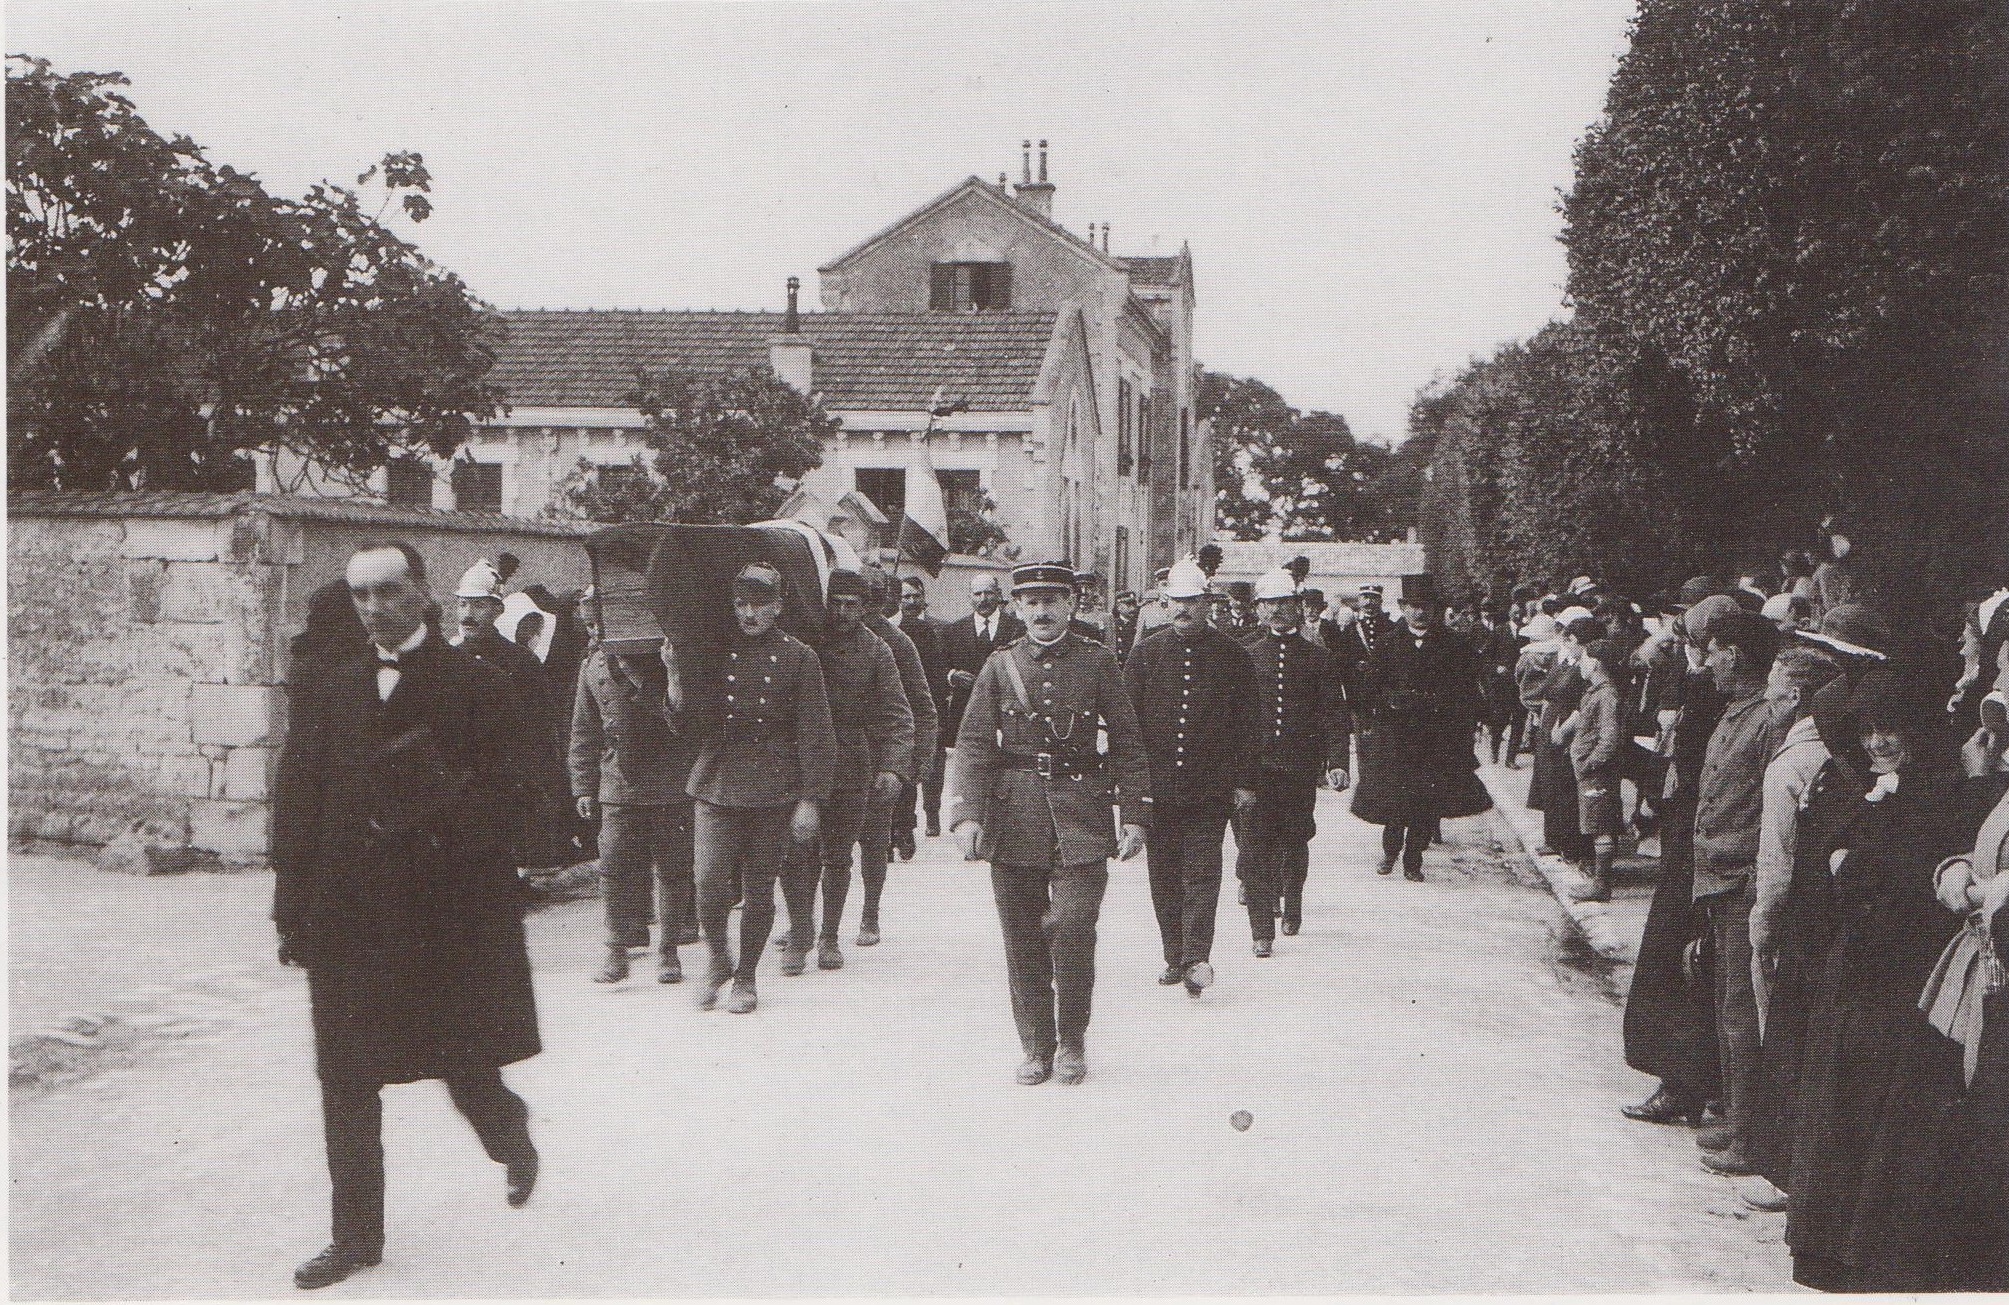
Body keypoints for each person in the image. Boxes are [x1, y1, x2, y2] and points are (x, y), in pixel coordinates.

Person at [272, 542, 541, 1291]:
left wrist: (440, 806)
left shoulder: (479, 683)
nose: (373, 608)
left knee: (460, 1056)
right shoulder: (330, 684)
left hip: (443, 912)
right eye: (360, 595)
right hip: (347, 910)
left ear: (423, 591)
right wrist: (290, 903)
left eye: (388, 591)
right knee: (345, 1076)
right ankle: (355, 1237)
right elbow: (299, 792)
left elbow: (520, 794)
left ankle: (507, 1130)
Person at [1785, 669, 1968, 1291]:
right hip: (1860, 969)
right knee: (1837, 1098)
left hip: (1900, 975)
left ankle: (1855, 1253)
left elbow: (1908, 883)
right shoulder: (1881, 791)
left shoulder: (1937, 795)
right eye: (1867, 731)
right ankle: (1824, 1246)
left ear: (1916, 731)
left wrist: (1852, 869)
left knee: (1870, 1105)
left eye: (1890, 729)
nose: (1877, 742)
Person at [950, 560, 1151, 1086]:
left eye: (1052, 600)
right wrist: (966, 814)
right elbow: (973, 743)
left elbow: (1128, 742)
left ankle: (1073, 1040)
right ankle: (1037, 1045)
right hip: (1014, 814)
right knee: (1021, 937)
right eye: (1032, 601)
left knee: (1073, 927)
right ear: (1017, 608)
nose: (1042, 611)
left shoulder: (1098, 661)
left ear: (1071, 605)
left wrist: (1135, 814)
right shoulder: (1000, 665)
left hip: (1082, 815)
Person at [685, 562, 836, 1015]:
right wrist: (674, 677)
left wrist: (809, 799)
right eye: (741, 604)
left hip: (773, 788)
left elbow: (816, 733)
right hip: (717, 780)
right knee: (708, 880)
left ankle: (746, 976)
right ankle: (718, 958)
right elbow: (688, 722)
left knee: (759, 887)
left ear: (778, 607)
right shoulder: (714, 652)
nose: (749, 614)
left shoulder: (799, 657)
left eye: (760, 604)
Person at [1739, 645, 1846, 1212]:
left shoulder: (1791, 763)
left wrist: (1762, 925)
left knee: (1784, 1039)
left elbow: (1776, 859)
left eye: (1774, 689)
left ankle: (1784, 1169)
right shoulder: (1838, 751)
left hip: (1795, 919)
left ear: (1797, 696)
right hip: (1831, 917)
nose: (1768, 698)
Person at [1123, 559, 1257, 996]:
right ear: (1165, 604)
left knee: (1202, 874)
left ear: (1207, 603)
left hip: (1209, 789)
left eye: (1192, 601)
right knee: (1163, 875)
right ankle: (1173, 954)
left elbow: (1248, 724)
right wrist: (1131, 788)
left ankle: (1196, 957)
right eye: (1176, 601)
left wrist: (1244, 781)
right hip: (1159, 789)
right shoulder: (1145, 655)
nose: (1183, 609)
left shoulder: (1233, 656)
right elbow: (1127, 727)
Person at [776, 570, 913, 975]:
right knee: (795, 851)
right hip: (801, 759)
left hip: (850, 760)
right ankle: (801, 929)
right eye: (834, 603)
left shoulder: (877, 651)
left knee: (837, 855)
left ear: (865, 607)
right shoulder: (806, 642)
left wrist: (893, 767)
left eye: (850, 605)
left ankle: (829, 936)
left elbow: (897, 713)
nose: (841, 612)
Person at [1690, 608, 1785, 1178]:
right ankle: (1735, 1116)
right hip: (1719, 877)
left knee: (1744, 1011)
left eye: (1715, 652)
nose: (1708, 663)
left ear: (1739, 656)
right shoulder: (1739, 713)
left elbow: (1771, 810)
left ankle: (1750, 1135)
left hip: (1743, 880)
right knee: (1729, 1006)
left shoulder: (1767, 720)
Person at [568, 612, 697, 986]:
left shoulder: (666, 658)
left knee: (673, 868)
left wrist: (670, 672)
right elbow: (584, 730)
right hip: (619, 784)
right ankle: (616, 947)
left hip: (670, 781)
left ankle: (669, 949)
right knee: (614, 866)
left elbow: (685, 717)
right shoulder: (593, 667)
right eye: (590, 625)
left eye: (602, 623)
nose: (596, 631)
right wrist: (584, 786)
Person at [1234, 568, 1352, 951]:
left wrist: (1337, 762)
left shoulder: (1319, 658)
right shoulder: (1246, 656)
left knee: (1296, 838)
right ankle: (1261, 931)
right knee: (1254, 846)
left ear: (1298, 607)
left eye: (1284, 603)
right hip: (1255, 769)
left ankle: (1293, 901)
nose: (1277, 611)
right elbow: (1232, 718)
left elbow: (1334, 714)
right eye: (1269, 604)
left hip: (1300, 768)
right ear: (1258, 610)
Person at [1349, 575, 1491, 881]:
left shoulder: (1454, 645)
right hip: (1396, 736)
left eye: (1426, 606)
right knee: (1395, 800)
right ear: (1402, 607)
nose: (1420, 612)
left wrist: (1451, 713)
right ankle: (1390, 850)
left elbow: (1467, 690)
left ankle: (1414, 859)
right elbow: (1368, 690)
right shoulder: (1387, 643)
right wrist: (1390, 701)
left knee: (1426, 801)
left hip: (1435, 737)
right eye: (1413, 606)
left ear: (1435, 608)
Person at [853, 567, 936, 938]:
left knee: (875, 840)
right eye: (864, 597)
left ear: (885, 600)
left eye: (876, 598)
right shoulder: (829, 637)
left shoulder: (898, 643)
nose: (868, 606)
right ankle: (808, 921)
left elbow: (922, 706)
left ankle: (870, 913)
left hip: (881, 754)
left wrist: (916, 763)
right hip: (839, 753)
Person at [1561, 638, 1627, 902]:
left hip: (1598, 772)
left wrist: (1589, 763)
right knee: (1596, 823)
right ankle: (1599, 883)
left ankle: (1601, 886)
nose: (1581, 663)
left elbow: (1609, 738)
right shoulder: (1597, 692)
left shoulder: (1606, 695)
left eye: (1585, 658)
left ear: (1597, 662)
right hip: (1592, 770)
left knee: (1601, 825)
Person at [940, 571, 1024, 762]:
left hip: (1006, 712)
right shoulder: (954, 630)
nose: (983, 599)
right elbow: (938, 666)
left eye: (989, 593)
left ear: (999, 594)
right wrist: (952, 675)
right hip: (965, 711)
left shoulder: (1018, 628)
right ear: (970, 597)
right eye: (977, 594)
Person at [890, 573, 948, 840]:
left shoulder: (934, 629)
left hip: (926, 706)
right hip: (899, 708)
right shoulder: (888, 630)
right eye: (906, 597)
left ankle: (929, 815)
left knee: (929, 765)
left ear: (924, 598)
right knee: (903, 766)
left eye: (916, 596)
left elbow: (937, 674)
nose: (911, 602)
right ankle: (904, 825)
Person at [1110, 590, 1140, 665]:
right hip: (1118, 664)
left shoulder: (1139, 624)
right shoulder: (1113, 624)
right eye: (1128, 605)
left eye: (1134, 605)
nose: (1133, 608)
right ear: (1119, 607)